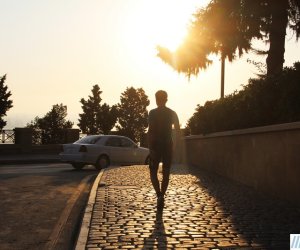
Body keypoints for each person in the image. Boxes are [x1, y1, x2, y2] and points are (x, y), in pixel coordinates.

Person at [148, 90, 180, 209]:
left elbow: (150, 131)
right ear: (166, 99)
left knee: (153, 172)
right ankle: (162, 195)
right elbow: (177, 131)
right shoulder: (172, 113)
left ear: (156, 99)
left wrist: (150, 147)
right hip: (168, 146)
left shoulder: (152, 113)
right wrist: (174, 146)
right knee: (166, 173)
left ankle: (159, 195)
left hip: (155, 146)